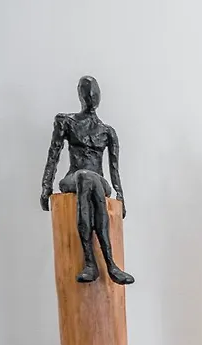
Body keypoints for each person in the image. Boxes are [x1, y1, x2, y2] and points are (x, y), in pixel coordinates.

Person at [40, 75, 134, 285]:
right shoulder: (66, 122)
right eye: (87, 91)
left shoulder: (107, 132)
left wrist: (121, 197)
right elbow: (53, 155)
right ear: (80, 95)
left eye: (94, 92)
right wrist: (46, 188)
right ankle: (101, 263)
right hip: (73, 178)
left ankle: (100, 263)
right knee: (85, 177)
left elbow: (114, 169)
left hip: (98, 182)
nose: (91, 96)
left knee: (91, 179)